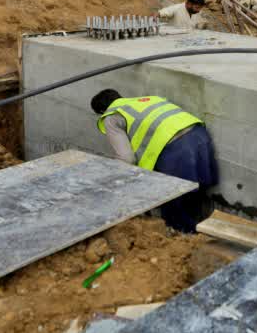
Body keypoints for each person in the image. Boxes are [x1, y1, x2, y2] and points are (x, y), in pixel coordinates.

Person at [91, 89, 219, 233]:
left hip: (177, 148)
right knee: (196, 192)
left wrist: (114, 180)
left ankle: (186, 240)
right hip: (200, 136)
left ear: (102, 111)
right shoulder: (148, 100)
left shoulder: (111, 117)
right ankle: (200, 230)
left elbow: (126, 158)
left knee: (172, 201)